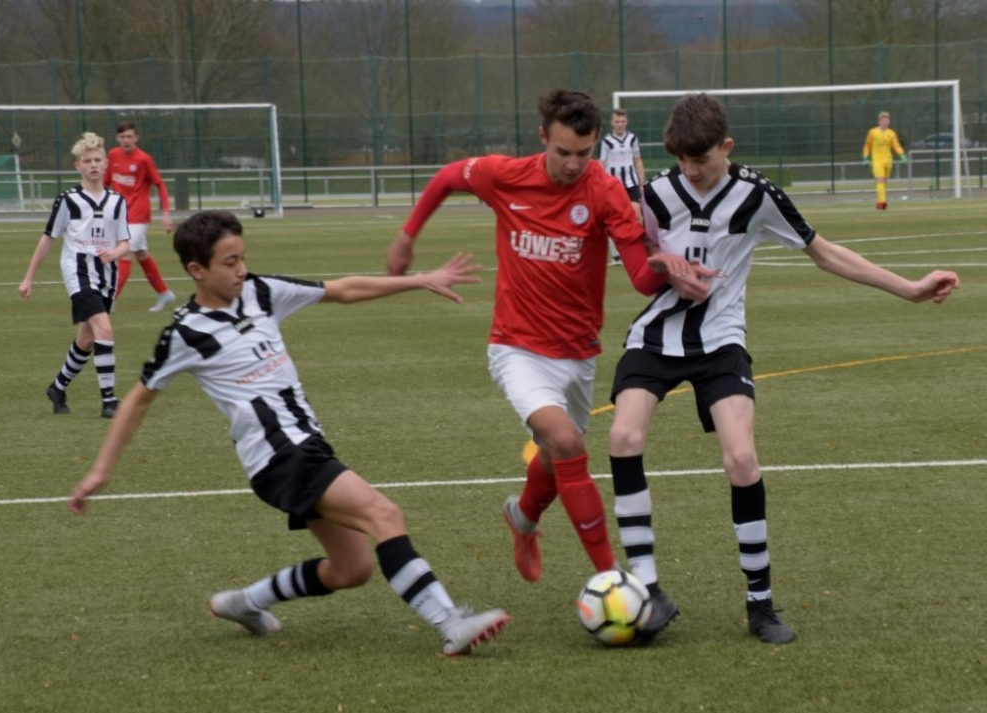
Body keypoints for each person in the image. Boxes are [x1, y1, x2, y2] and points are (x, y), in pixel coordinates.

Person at [67, 210, 509, 656]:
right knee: (385, 515)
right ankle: (452, 623)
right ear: (196, 270)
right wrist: (100, 471)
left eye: (242, 257)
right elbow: (138, 400)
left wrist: (420, 280)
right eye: (229, 262)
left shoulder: (260, 291)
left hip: (305, 446)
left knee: (351, 569)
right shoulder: (186, 332)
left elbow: (343, 289)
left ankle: (245, 603)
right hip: (281, 457)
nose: (241, 269)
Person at [608, 93, 959, 645]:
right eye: (681, 161)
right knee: (623, 435)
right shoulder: (658, 192)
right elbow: (640, 247)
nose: (691, 172)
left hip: (721, 341)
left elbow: (825, 253)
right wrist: (663, 264)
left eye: (701, 161)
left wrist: (910, 289)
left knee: (741, 458)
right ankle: (647, 592)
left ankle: (760, 604)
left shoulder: (757, 194)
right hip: (656, 336)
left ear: (726, 146)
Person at [385, 89, 712, 638]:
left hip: (578, 355)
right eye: (563, 152)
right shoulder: (504, 176)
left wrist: (667, 268)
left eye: (584, 153)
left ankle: (524, 515)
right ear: (543, 138)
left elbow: (639, 278)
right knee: (565, 443)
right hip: (516, 348)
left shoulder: (604, 191)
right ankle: (615, 581)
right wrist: (406, 237)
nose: (573, 164)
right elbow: (445, 178)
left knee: (562, 454)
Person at [19, 131, 131, 418]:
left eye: (97, 160)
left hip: (107, 275)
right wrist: (29, 277)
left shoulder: (117, 201)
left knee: (88, 338)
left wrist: (114, 254)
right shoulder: (68, 200)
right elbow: (48, 238)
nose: (93, 165)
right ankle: (109, 401)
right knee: (104, 328)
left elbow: (125, 243)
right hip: (78, 272)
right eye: (87, 161)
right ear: (78, 166)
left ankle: (57, 388)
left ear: (106, 164)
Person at [104, 121, 176, 311]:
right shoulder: (113, 156)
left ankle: (110, 300)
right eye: (123, 137)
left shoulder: (144, 159)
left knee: (124, 253)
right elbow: (105, 182)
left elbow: (160, 184)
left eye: (130, 136)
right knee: (142, 254)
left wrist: (166, 213)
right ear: (117, 138)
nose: (126, 140)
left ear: (136, 138)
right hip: (120, 215)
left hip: (138, 215)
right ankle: (164, 293)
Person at [600, 108, 646, 264]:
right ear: (612, 123)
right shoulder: (606, 141)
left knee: (636, 216)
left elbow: (638, 160)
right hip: (613, 186)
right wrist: (601, 183)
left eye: (622, 121)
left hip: (631, 183)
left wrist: (642, 182)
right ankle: (616, 255)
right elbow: (602, 163)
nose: (620, 124)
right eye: (617, 121)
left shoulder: (632, 139)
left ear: (626, 122)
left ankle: (638, 251)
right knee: (613, 219)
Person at [862, 111, 907, 210]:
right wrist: (865, 157)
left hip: (888, 160)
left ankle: (879, 202)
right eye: (883, 121)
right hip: (877, 159)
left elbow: (896, 145)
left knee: (884, 182)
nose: (885, 123)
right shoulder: (872, 132)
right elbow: (867, 145)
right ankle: (882, 202)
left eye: (887, 121)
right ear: (879, 122)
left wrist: (902, 154)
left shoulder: (891, 133)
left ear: (889, 122)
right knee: (880, 179)